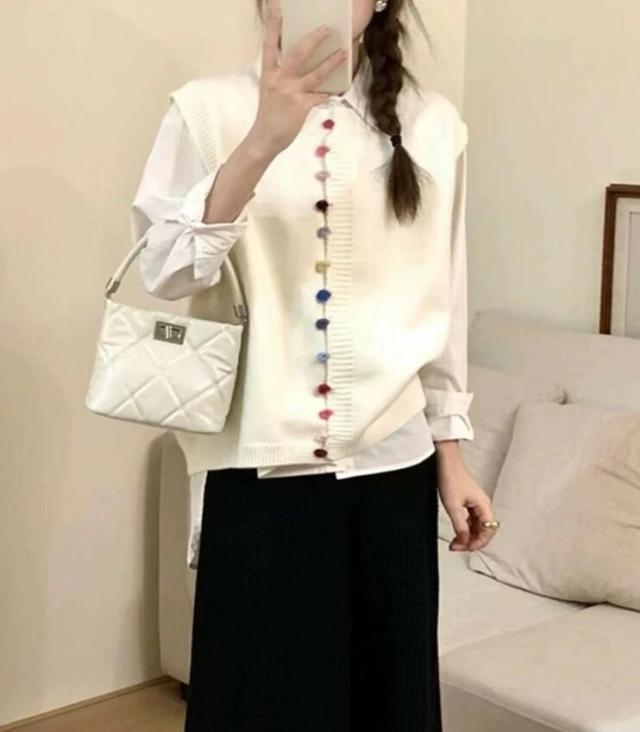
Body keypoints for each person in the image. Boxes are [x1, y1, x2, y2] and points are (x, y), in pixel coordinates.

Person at [131, 0, 499, 729]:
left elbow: (443, 301)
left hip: (393, 473)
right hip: (258, 476)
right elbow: (164, 272)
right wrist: (261, 142)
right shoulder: (206, 111)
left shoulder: (433, 125)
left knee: (387, 706)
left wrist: (451, 457)